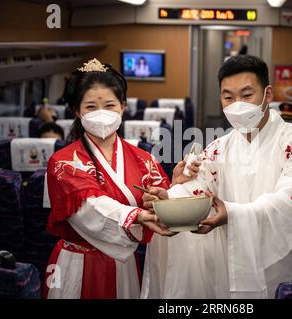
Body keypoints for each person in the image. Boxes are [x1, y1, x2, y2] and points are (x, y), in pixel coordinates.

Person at [141, 55, 292, 299]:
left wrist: (232, 214)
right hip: (228, 267)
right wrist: (170, 198)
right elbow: (199, 188)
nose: (237, 104)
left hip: (284, 266)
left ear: (267, 95)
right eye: (228, 97)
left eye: (247, 95)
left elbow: (289, 205)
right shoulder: (220, 146)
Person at [43, 58, 195, 299]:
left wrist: (175, 185)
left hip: (124, 266)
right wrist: (136, 216)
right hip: (77, 263)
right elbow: (89, 209)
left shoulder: (143, 158)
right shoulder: (63, 162)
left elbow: (161, 207)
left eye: (110, 106)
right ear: (77, 111)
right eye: (91, 107)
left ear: (123, 107)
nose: (101, 114)